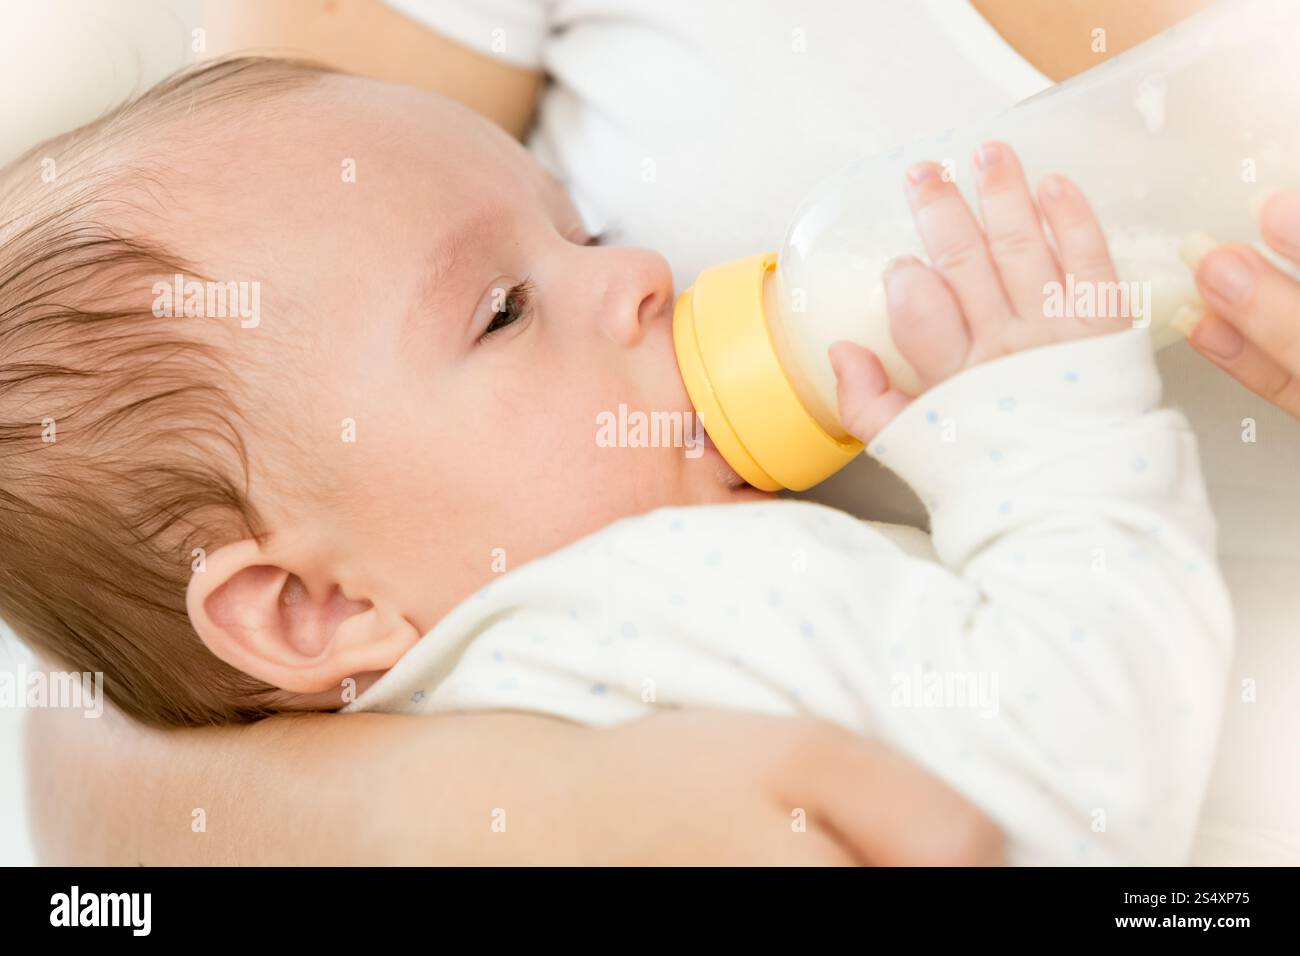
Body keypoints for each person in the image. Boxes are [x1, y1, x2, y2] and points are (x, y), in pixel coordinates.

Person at [28, 0, 1295, 864]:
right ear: (304, 608)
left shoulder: (469, 645)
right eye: (506, 309)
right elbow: (1086, 778)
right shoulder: (676, 602)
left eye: (576, 226)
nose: (639, 269)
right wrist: (1043, 421)